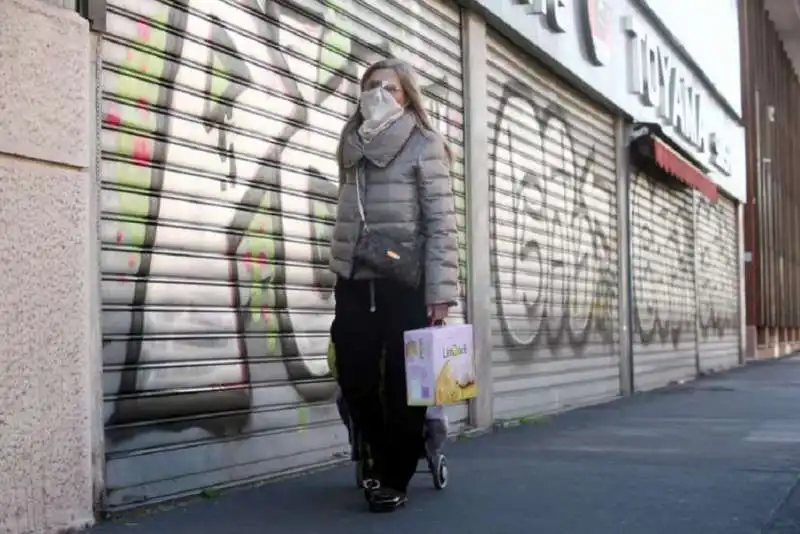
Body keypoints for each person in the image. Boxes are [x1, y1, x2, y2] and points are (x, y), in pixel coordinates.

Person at [328, 57, 459, 513]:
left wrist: (440, 293)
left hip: (405, 282)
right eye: (372, 86)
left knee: (406, 384)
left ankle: (394, 476)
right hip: (354, 279)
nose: (380, 94)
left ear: (408, 96)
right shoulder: (351, 142)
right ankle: (378, 453)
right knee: (355, 377)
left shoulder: (425, 144)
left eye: (392, 88)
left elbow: (442, 224)